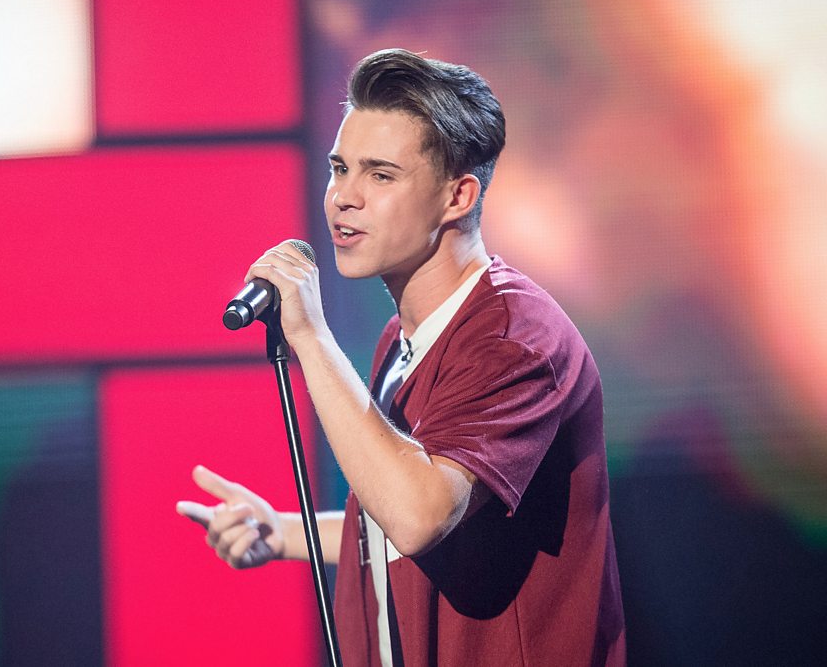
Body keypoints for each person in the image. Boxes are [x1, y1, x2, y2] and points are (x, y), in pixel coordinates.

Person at [176, 48, 625, 666]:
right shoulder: (402, 338)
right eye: (339, 168)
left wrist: (312, 337)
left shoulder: (514, 340)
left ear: (457, 196)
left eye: (380, 176)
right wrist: (280, 532)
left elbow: (420, 515)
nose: (343, 197)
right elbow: (391, 517)